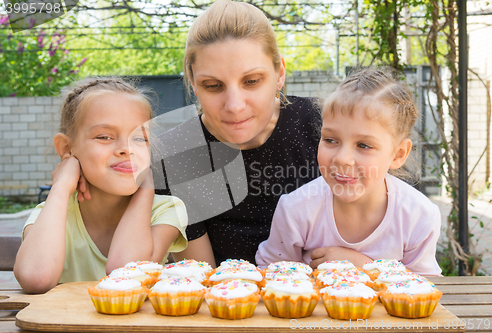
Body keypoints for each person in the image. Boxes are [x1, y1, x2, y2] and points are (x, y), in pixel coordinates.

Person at [155, 0, 321, 267]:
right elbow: (201, 279)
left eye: (251, 81)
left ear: (279, 74)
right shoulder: (176, 153)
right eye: (213, 86)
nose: (234, 106)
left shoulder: (323, 127)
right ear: (193, 84)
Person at [255, 68, 442, 276]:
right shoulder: (295, 210)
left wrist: (364, 267)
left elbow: (425, 289)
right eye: (330, 140)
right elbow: (268, 272)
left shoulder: (418, 216)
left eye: (363, 145)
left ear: (398, 154)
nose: (342, 158)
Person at [14, 78, 188, 294]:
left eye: (139, 138)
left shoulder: (166, 210)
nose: (126, 149)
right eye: (105, 137)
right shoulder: (52, 214)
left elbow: (124, 273)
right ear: (67, 147)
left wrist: (146, 188)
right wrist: (61, 187)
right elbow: (35, 278)